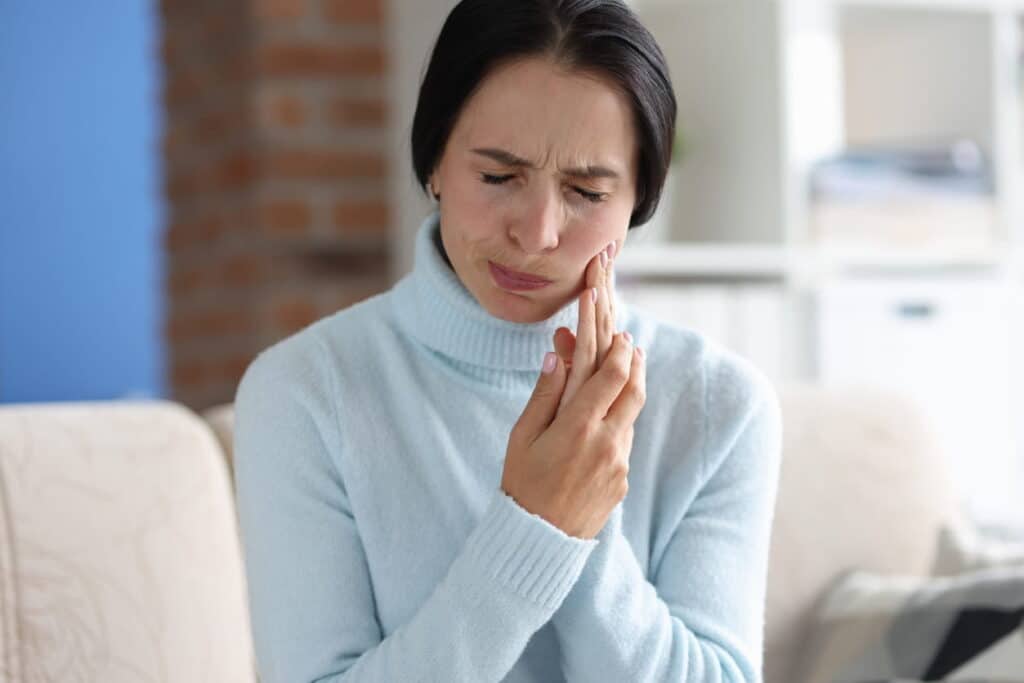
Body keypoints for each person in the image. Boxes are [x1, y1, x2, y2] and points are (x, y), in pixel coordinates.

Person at [233, 1, 782, 681]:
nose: (539, 231)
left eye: (586, 190)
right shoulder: (305, 392)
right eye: (498, 177)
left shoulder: (719, 404)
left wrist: (580, 517)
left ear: (637, 202)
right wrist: (538, 523)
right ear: (434, 162)